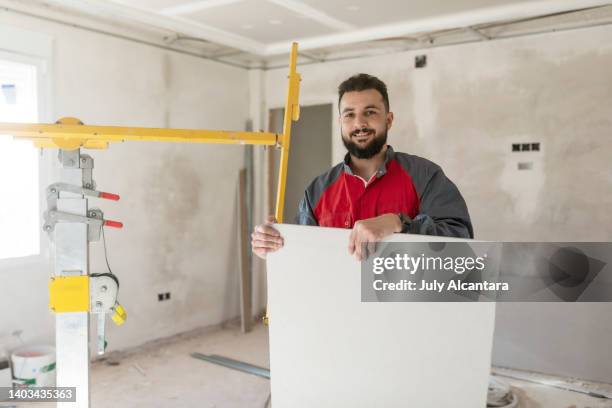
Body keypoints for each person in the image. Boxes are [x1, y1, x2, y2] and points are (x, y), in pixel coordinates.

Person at [252, 73, 472, 261]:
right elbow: (303, 257)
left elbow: (462, 242)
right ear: (340, 122)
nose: (359, 124)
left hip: (408, 307)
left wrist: (399, 224)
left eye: (370, 112)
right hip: (337, 308)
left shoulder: (424, 176)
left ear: (389, 120)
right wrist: (274, 245)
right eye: (350, 115)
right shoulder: (317, 191)